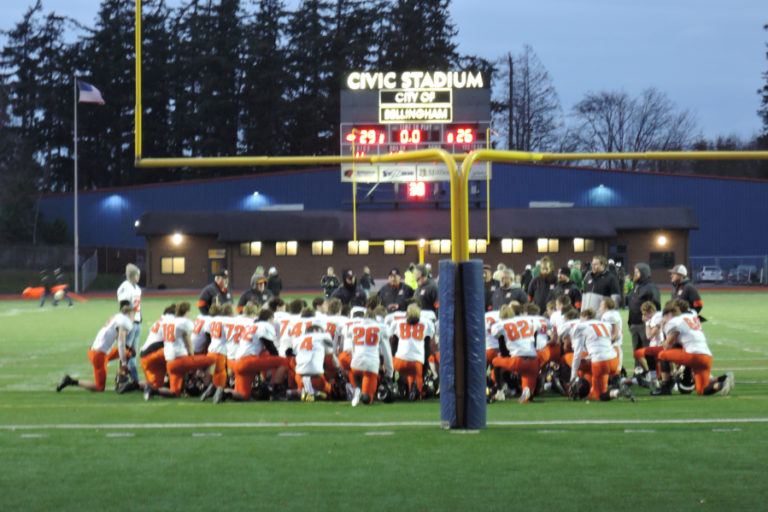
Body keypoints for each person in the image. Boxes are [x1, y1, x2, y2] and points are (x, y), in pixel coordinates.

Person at [655, 300, 733, 396]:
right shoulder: (692, 315)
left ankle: (665, 388)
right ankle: (722, 383)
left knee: (662, 355)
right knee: (701, 390)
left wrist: (662, 331)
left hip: (694, 356)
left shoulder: (675, 322)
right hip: (707, 357)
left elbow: (667, 347)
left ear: (671, 314)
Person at [145, 302, 216, 399]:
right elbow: (189, 345)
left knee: (175, 393)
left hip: (170, 362)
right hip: (180, 360)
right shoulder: (183, 323)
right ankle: (206, 388)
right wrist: (192, 360)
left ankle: (153, 390)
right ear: (186, 312)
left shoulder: (168, 322)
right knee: (212, 361)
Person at [57, 305, 134, 392]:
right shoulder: (125, 321)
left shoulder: (118, 317)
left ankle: (120, 378)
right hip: (99, 355)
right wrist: (124, 363)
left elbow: (116, 338)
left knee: (128, 351)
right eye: (133, 317)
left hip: (100, 352)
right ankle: (70, 381)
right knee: (99, 388)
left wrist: (128, 349)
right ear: (129, 315)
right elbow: (120, 343)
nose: (133, 320)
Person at [568, 308, 635, 402]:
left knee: (599, 396)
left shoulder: (580, 327)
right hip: (613, 359)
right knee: (604, 386)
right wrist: (589, 358)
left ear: (583, 317)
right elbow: (602, 345)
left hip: (600, 363)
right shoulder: (605, 324)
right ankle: (619, 390)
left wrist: (573, 376)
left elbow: (577, 354)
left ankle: (615, 390)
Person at [489, 303, 538, 403]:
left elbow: (502, 348)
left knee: (495, 361)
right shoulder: (528, 320)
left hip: (517, 361)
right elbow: (535, 335)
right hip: (533, 361)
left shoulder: (500, 325)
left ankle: (500, 391)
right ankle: (526, 390)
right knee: (526, 378)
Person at [349, 308, 394, 406]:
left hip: (355, 364)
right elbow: (387, 353)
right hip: (370, 366)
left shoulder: (354, 327)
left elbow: (353, 349)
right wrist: (390, 373)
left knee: (362, 383)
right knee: (368, 399)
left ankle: (357, 391)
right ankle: (362, 395)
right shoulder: (381, 328)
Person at [391, 303, 435, 401]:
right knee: (416, 377)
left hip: (399, 361)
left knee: (404, 372)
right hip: (416, 361)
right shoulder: (426, 323)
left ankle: (401, 384)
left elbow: (394, 344)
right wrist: (426, 365)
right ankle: (414, 389)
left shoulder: (398, 322)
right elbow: (426, 346)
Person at [626, 263, 661, 369]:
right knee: (637, 351)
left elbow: (656, 306)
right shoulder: (637, 286)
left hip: (645, 325)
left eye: (637, 272)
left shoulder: (651, 287)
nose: (634, 274)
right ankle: (639, 372)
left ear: (643, 273)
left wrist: (651, 322)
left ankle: (652, 372)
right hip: (634, 323)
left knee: (647, 350)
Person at [117, 263, 142, 383]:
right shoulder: (125, 287)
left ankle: (133, 379)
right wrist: (128, 324)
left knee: (133, 354)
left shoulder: (137, 288)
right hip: (130, 324)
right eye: (137, 274)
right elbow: (124, 307)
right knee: (125, 353)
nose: (139, 276)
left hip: (137, 322)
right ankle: (122, 377)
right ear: (132, 275)